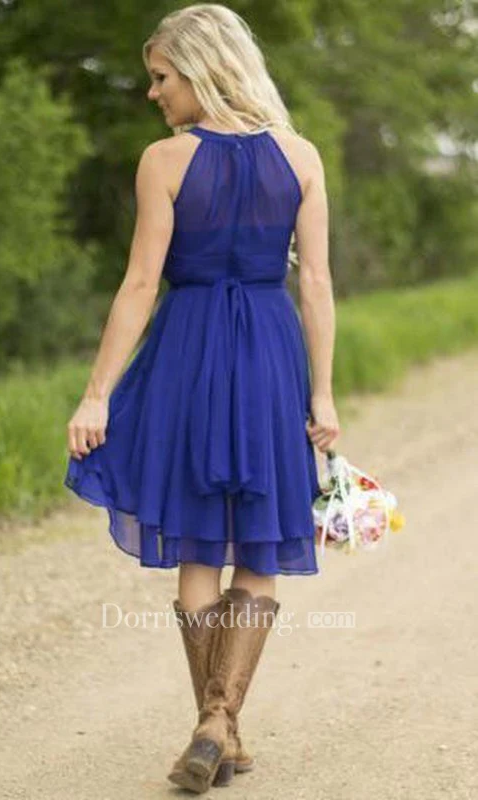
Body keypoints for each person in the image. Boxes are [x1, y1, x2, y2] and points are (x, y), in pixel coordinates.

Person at [64, 2, 340, 793]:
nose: (154, 93)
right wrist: (323, 393)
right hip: (269, 354)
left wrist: (96, 395)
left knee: (196, 546)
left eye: (161, 77)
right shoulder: (302, 156)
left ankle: (217, 727)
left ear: (200, 69)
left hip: (188, 352)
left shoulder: (165, 161)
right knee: (259, 547)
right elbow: (316, 285)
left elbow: (140, 285)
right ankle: (222, 727)